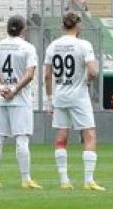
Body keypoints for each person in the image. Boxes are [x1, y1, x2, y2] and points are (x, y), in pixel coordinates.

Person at [44, 12, 104, 191]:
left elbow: (47, 75)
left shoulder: (53, 46)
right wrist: (87, 80)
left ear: (63, 26)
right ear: (78, 26)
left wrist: (49, 99)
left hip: (60, 95)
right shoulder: (84, 45)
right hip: (79, 96)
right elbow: (93, 71)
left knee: (62, 136)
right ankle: (88, 180)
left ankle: (64, 180)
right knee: (90, 135)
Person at [0, 14, 41, 190]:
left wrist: (1, 88)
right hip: (20, 98)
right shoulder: (28, 48)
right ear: (23, 28)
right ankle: (25, 179)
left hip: (3, 98)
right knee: (22, 138)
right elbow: (30, 74)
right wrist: (15, 89)